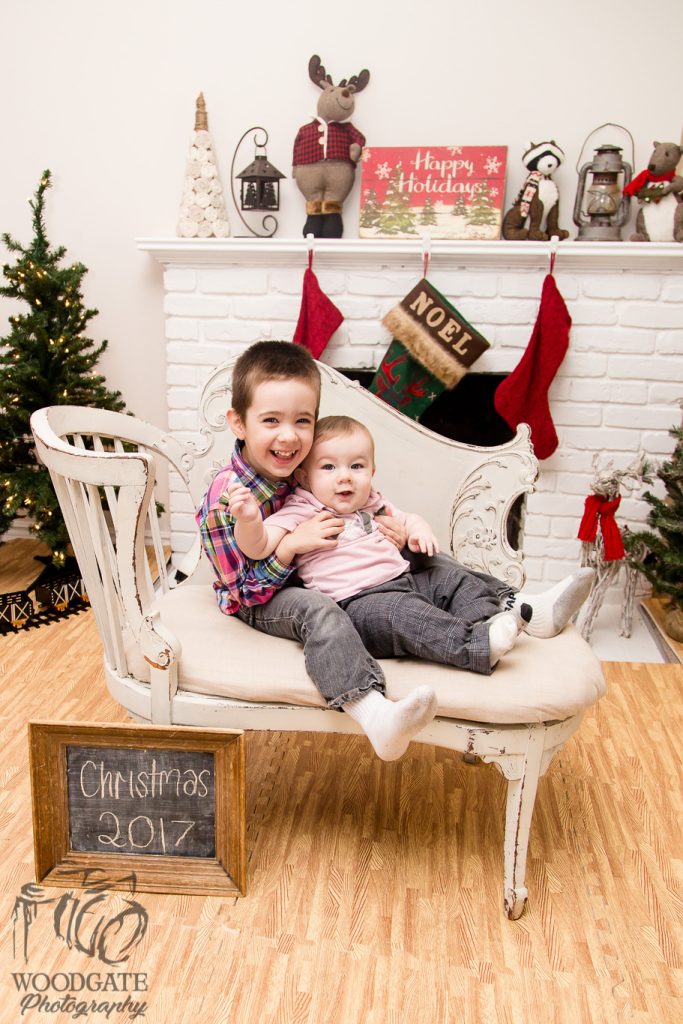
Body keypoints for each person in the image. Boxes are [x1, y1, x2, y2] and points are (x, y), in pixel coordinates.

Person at [196, 340, 439, 762]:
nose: (289, 436)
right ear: (238, 423)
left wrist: (394, 533)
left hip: (320, 572)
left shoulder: (300, 467)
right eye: (271, 420)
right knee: (317, 610)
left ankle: (502, 610)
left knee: (424, 558)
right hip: (259, 597)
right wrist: (290, 547)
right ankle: (373, 711)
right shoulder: (225, 499)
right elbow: (245, 592)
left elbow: (357, 510)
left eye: (302, 420)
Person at [228, 413, 595, 678]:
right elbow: (258, 547)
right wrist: (252, 522)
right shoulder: (302, 509)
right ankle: (477, 647)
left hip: (405, 580)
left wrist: (417, 530)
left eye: (356, 466)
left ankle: (491, 621)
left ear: (372, 472)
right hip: (358, 605)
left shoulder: (372, 502)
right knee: (406, 615)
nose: (345, 477)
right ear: (304, 476)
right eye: (328, 467)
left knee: (452, 580)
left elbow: (406, 519)